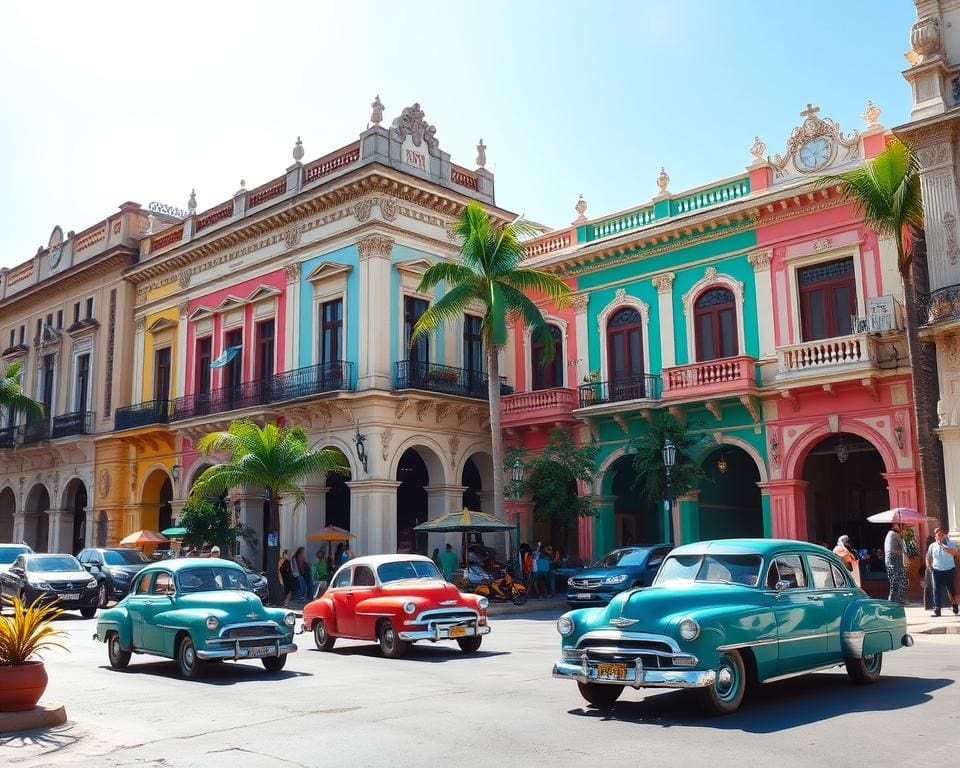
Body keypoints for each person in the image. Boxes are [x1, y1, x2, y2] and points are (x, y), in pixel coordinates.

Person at [926, 527, 960, 617]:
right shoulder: (932, 546)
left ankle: (955, 605)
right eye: (937, 535)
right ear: (935, 537)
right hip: (937, 570)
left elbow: (958, 555)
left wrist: (948, 550)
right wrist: (929, 566)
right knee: (936, 589)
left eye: (941, 535)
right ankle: (937, 609)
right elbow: (928, 556)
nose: (939, 537)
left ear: (944, 535)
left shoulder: (951, 544)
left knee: (951, 589)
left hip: (949, 569)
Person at [884, 522, 909, 605]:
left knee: (894, 580)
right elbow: (904, 548)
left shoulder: (889, 534)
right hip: (895, 560)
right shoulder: (895, 534)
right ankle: (897, 599)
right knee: (901, 580)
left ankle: (892, 599)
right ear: (894, 526)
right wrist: (902, 538)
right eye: (900, 526)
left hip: (889, 561)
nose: (902, 528)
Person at [921, 535, 935, 611]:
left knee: (927, 588)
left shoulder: (927, 549)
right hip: (932, 569)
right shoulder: (933, 547)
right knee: (933, 587)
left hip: (927, 570)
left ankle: (927, 605)